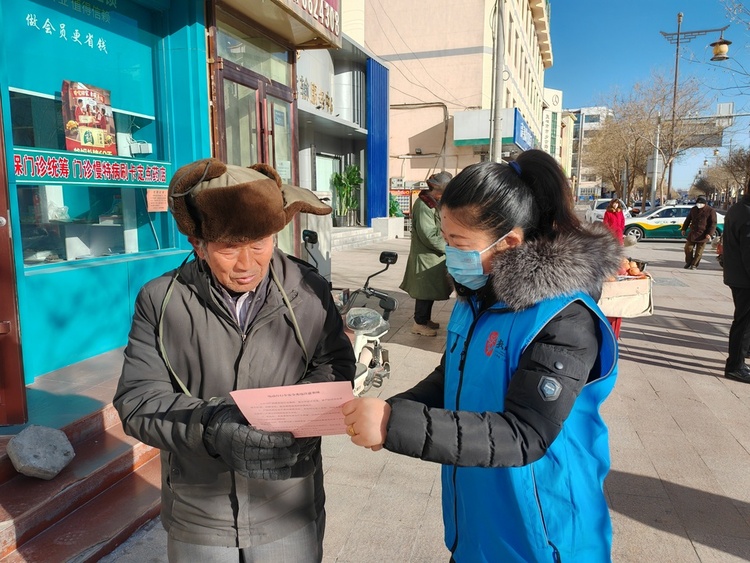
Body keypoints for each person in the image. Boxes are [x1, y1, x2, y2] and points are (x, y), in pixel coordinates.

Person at [342, 150, 622, 562]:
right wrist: (393, 408)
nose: (450, 252)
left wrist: (393, 423)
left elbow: (525, 433)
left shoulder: (564, 318)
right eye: (445, 236)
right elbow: (451, 376)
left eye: (458, 243)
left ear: (509, 241)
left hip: (543, 532)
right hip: (479, 520)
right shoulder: (477, 299)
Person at [113, 158, 356, 562]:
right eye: (229, 248)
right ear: (199, 245)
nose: (247, 264)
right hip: (200, 512)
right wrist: (214, 428)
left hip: (286, 500)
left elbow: (334, 365)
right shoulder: (162, 300)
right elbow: (138, 401)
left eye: (259, 244)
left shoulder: (307, 289)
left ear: (275, 237)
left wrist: (295, 414)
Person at [400, 171, 453, 336]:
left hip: (432, 257)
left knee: (429, 291)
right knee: (424, 292)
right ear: (438, 190)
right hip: (425, 257)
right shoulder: (424, 206)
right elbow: (429, 236)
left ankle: (425, 319)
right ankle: (419, 323)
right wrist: (450, 247)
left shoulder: (433, 202)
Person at [722, 189, 750, 383]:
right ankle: (735, 366)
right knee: (743, 322)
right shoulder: (747, 212)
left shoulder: (737, 208)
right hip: (745, 278)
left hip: (738, 275)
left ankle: (741, 358)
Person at [680, 195, 716, 269]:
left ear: (704, 203)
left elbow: (713, 223)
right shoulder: (693, 209)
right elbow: (688, 219)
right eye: (697, 203)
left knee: (699, 252)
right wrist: (684, 229)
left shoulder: (710, 211)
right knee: (687, 248)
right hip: (693, 232)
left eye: (700, 203)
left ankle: (694, 265)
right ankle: (689, 262)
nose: (699, 204)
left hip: (703, 234)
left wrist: (709, 234)